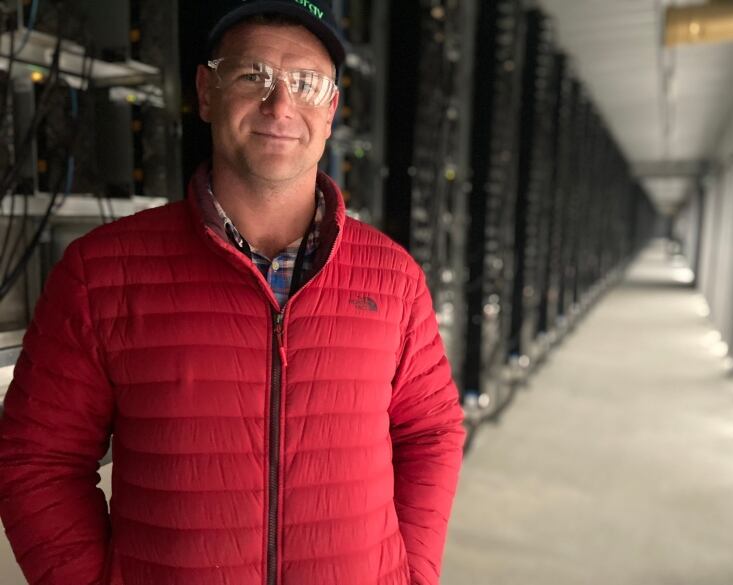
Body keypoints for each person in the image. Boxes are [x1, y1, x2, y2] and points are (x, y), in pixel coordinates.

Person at [0, 1, 465, 584]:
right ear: (206, 91)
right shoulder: (101, 274)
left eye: (306, 83)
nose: (280, 104)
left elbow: (432, 432)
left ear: (330, 111)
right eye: (254, 76)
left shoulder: (392, 279)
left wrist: (410, 574)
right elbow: (36, 459)